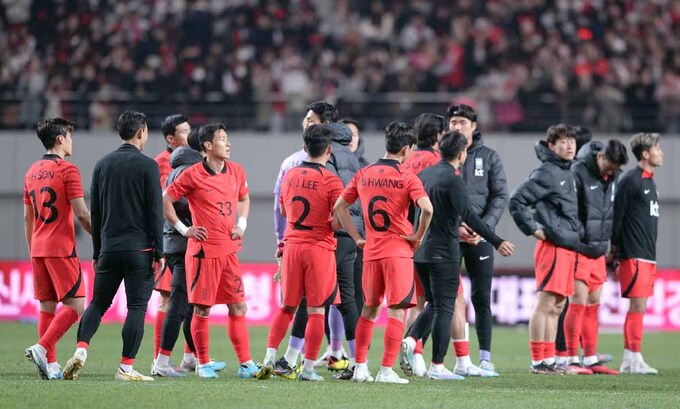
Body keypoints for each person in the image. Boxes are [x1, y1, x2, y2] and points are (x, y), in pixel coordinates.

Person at [401, 131, 514, 380]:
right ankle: (437, 366)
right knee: (444, 306)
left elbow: (411, 209)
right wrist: (496, 241)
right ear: (462, 153)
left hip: (420, 252)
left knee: (434, 304)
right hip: (444, 252)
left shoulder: (424, 175)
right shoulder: (454, 180)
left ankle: (410, 338)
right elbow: (470, 216)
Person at [63, 111, 165, 381]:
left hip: (108, 248)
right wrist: (159, 250)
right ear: (141, 131)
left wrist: (98, 251)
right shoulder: (148, 166)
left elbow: (95, 211)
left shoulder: (102, 164)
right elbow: (155, 212)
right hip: (139, 250)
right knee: (137, 308)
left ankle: (81, 350)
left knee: (97, 303)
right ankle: (126, 368)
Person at [334, 122, 434, 384]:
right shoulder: (407, 177)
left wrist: (357, 237)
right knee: (397, 311)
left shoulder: (364, 172)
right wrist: (418, 236)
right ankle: (386, 370)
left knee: (369, 309)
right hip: (398, 250)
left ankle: (360, 368)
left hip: (371, 251)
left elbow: (339, 206)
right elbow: (427, 209)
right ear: (406, 149)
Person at [163, 123, 259, 379]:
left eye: (228, 139)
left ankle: (246, 363)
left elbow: (245, 198)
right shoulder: (192, 174)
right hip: (204, 253)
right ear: (207, 145)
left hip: (229, 251)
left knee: (238, 307)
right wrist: (185, 230)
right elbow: (165, 201)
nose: (228, 144)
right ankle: (203, 363)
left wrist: (242, 224)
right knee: (202, 310)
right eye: (222, 139)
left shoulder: (237, 171)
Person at [272, 102, 360, 379]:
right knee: (346, 300)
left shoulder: (308, 159)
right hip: (348, 235)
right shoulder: (352, 155)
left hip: (324, 235)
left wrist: (282, 240)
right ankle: (356, 361)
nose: (306, 124)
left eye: (311, 120)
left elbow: (285, 206)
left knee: (310, 301)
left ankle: (291, 360)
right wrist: (358, 235)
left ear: (324, 125)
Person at [257, 125, 344, 382]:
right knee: (316, 311)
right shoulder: (331, 180)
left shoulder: (290, 174)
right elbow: (338, 221)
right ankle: (307, 369)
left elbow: (284, 211)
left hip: (293, 245)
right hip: (319, 247)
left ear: (305, 148)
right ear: (329, 150)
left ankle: (269, 359)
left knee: (287, 307)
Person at [152, 130, 227, 377]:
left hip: (173, 244)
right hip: (183, 245)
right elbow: (174, 202)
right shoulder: (189, 171)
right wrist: (188, 228)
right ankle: (162, 362)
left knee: (189, 304)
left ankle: (192, 358)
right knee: (179, 303)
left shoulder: (177, 167)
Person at [509, 124, 582, 374]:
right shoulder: (547, 172)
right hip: (552, 247)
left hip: (567, 246)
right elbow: (516, 200)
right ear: (551, 146)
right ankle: (537, 360)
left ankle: (549, 359)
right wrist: (534, 230)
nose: (569, 145)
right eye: (563, 141)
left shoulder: (568, 171)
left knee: (558, 306)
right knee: (545, 303)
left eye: (572, 141)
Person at [23, 118, 92, 380]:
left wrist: (33, 250)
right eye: (70, 137)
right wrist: (101, 237)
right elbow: (82, 213)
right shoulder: (68, 170)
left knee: (47, 306)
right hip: (61, 246)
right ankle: (41, 348)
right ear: (61, 139)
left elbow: (27, 218)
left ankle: (50, 365)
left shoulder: (31, 172)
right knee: (77, 305)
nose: (72, 141)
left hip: (38, 247)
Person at [447, 104, 508, 374]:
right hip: (450, 235)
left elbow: (500, 196)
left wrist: (483, 229)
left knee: (481, 297)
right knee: (444, 299)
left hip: (480, 237)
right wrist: (457, 226)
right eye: (453, 122)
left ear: (473, 126)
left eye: (462, 122)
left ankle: (485, 357)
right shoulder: (443, 156)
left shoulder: (489, 157)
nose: (456, 126)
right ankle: (436, 358)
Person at [560, 138, 628, 375]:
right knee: (577, 304)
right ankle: (570, 359)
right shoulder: (577, 171)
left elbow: (611, 211)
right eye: (610, 166)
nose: (612, 171)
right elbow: (569, 208)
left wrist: (612, 245)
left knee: (592, 306)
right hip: (580, 249)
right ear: (600, 157)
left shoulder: (611, 176)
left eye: (615, 169)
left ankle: (590, 358)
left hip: (599, 250)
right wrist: (578, 237)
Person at [611, 133, 663, 375]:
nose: (660, 152)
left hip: (647, 254)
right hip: (634, 253)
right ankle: (632, 359)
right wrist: (615, 249)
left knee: (639, 307)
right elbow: (617, 216)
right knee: (637, 306)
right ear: (645, 154)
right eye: (657, 148)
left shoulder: (650, 182)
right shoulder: (631, 180)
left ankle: (631, 358)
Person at [399, 112, 445, 376]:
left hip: (404, 236)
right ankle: (418, 353)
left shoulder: (407, 159)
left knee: (416, 302)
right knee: (440, 301)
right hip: (430, 237)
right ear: (438, 136)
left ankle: (412, 354)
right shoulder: (436, 162)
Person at [152, 114, 191, 370]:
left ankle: (190, 357)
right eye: (185, 131)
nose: (190, 135)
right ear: (170, 138)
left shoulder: (192, 160)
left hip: (187, 239)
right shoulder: (160, 164)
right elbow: (158, 205)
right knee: (168, 298)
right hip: (170, 240)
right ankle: (159, 358)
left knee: (190, 299)